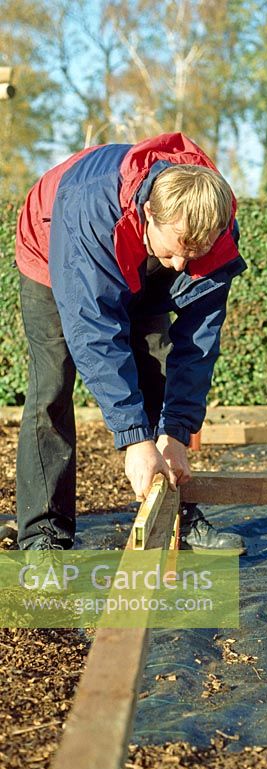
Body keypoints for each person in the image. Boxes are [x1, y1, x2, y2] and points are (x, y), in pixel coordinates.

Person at [14, 132, 247, 554]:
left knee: (156, 363)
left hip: (133, 244)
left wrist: (175, 432)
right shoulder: (91, 211)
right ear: (149, 213)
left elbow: (198, 342)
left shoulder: (210, 227)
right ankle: (43, 536)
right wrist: (135, 439)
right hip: (55, 245)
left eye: (193, 255)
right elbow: (95, 332)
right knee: (51, 384)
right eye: (177, 251)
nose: (181, 266)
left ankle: (177, 512)